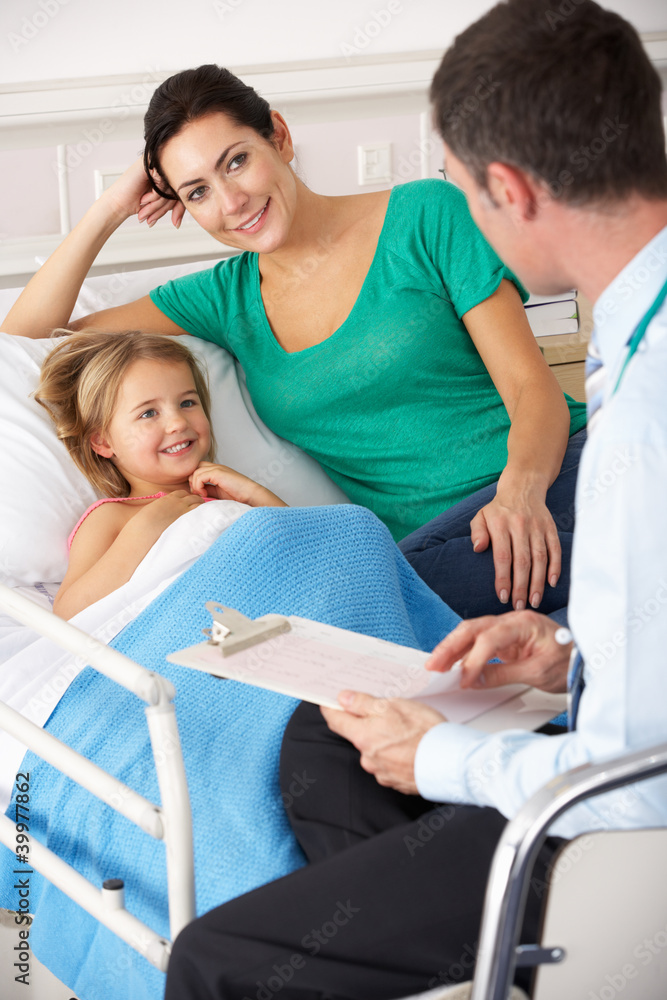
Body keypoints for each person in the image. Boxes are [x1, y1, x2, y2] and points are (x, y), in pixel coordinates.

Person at [162, 0, 667, 996]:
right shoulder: (630, 333)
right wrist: (569, 653)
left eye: (462, 188)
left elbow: (627, 781)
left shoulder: (643, 416)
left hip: (615, 824)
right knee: (328, 742)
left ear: (505, 191)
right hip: (595, 720)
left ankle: (506, 942)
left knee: (211, 960)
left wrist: (446, 762)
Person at [3, 64, 587, 620]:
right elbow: (23, 339)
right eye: (197, 192)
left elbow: (531, 389)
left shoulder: (426, 215)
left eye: (236, 161)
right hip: (432, 552)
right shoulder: (222, 299)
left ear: (278, 136)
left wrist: (519, 493)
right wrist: (110, 207)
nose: (231, 202)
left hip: (552, 476)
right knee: (375, 612)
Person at [35, 331, 286, 619]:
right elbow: (68, 614)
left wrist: (254, 494)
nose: (177, 422)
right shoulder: (113, 517)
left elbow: (304, 547)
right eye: (148, 413)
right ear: (103, 442)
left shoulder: (228, 495)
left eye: (187, 403)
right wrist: (141, 533)